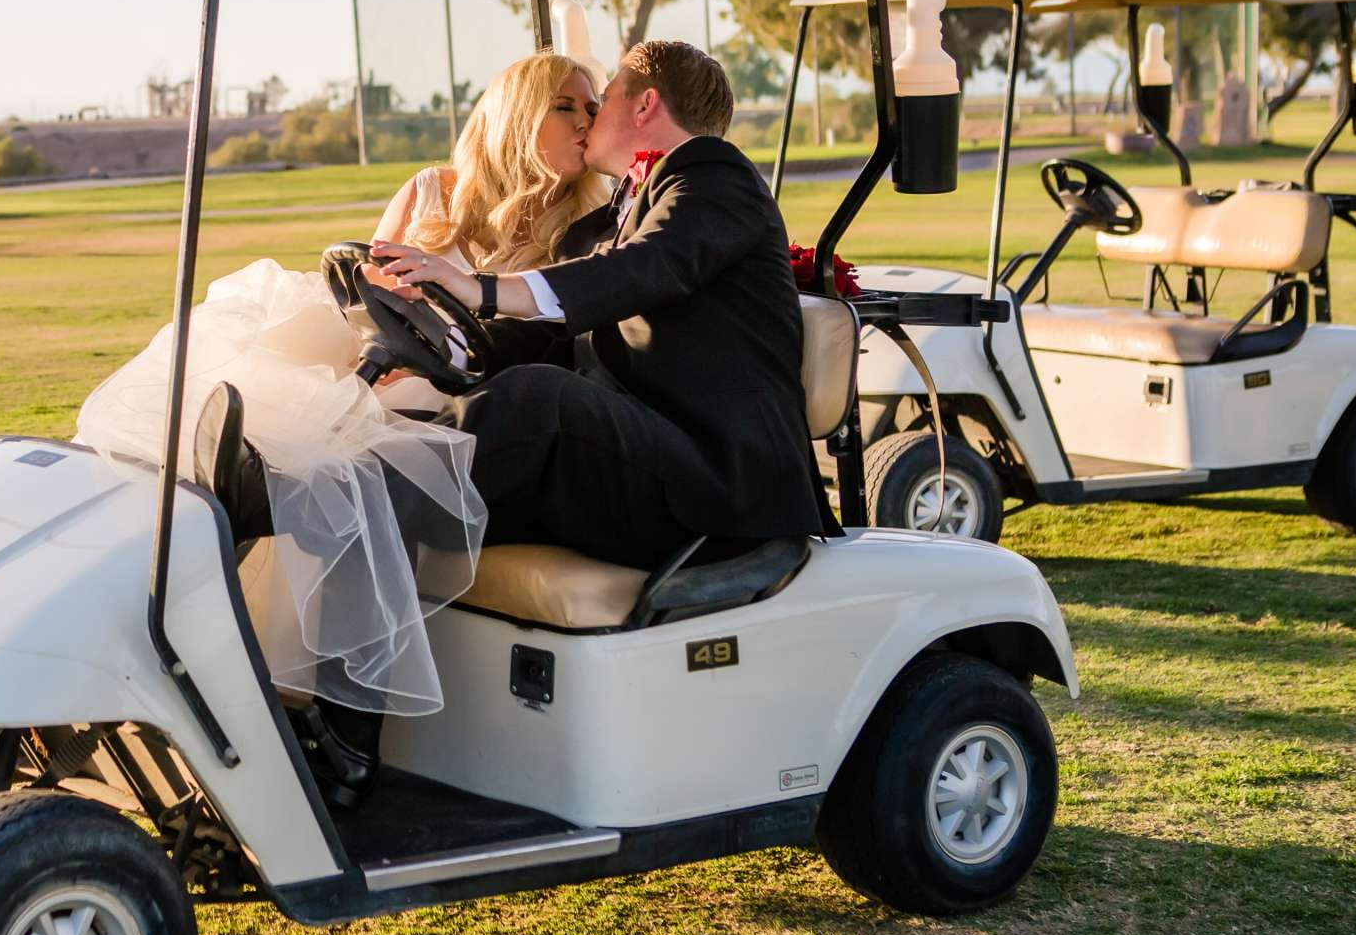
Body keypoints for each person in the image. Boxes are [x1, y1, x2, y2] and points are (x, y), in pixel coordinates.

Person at [75, 52, 610, 724]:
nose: (589, 121)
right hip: (374, 383)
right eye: (570, 105)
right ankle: (133, 646)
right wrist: (380, 344)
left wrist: (423, 362)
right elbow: (363, 302)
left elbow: (534, 358)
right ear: (518, 115)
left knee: (346, 471)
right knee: (261, 418)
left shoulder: (588, 231)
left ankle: (334, 734)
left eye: (595, 107)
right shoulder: (430, 194)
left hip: (468, 415)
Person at [369, 37, 834, 568]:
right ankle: (332, 519)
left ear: (643, 104)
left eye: (603, 99)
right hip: (640, 468)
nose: (590, 119)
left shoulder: (714, 176)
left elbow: (641, 270)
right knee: (424, 465)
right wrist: (432, 349)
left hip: (725, 487)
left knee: (538, 399)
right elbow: (549, 338)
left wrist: (481, 288)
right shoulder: (598, 225)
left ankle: (334, 510)